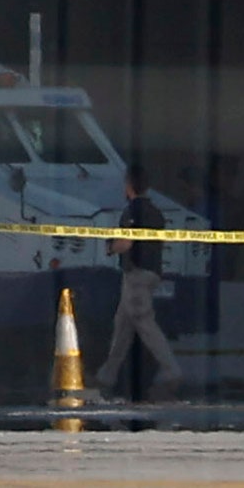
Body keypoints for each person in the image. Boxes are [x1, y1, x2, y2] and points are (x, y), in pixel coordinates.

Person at [95, 164, 183, 400]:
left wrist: (109, 246)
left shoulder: (133, 210)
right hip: (151, 273)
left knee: (145, 324)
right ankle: (106, 377)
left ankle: (171, 371)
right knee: (122, 327)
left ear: (129, 186)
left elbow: (126, 243)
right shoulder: (156, 212)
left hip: (137, 275)